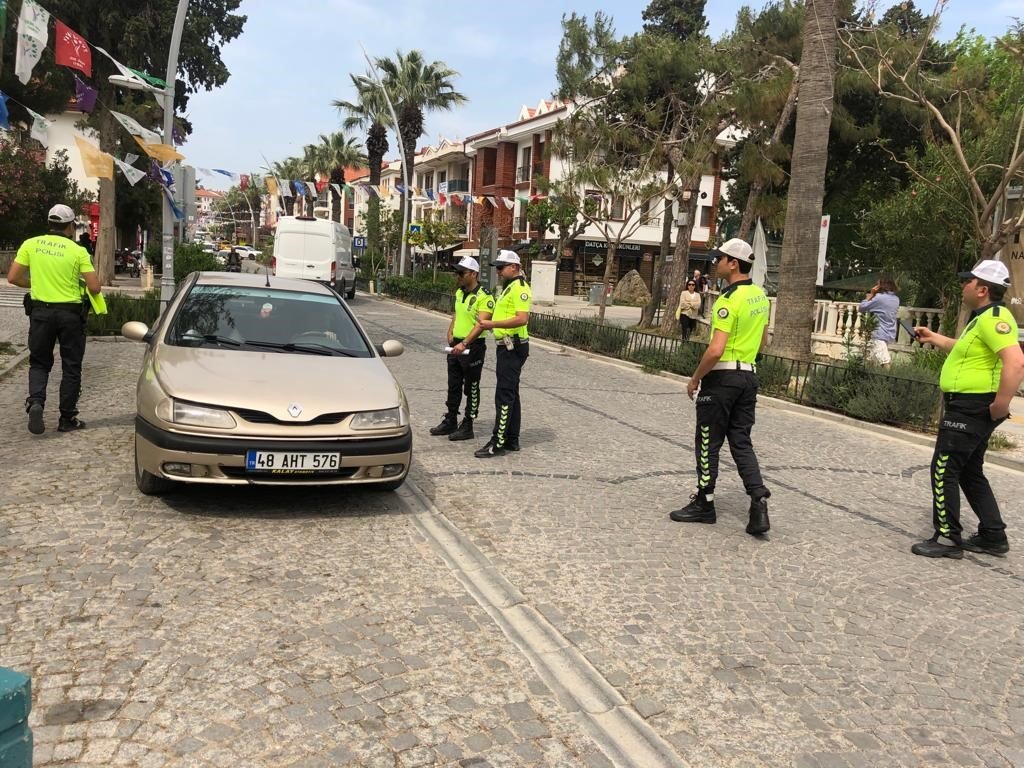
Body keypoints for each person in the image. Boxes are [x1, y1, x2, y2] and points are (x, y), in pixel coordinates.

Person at [910, 260, 1024, 559]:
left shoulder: (995, 318)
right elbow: (965, 350)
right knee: (970, 471)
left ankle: (948, 538)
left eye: (968, 281)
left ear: (983, 289)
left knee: (944, 468)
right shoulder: (983, 317)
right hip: (969, 404)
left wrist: (1001, 404)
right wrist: (934, 338)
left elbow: (1016, 362)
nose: (964, 285)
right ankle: (992, 535)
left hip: (971, 406)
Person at [670, 238, 772, 535]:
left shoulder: (728, 300)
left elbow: (715, 350)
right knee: (741, 441)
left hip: (723, 378)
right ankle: (758, 497)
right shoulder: (760, 297)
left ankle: (705, 502)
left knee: (707, 441)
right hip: (748, 377)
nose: (715, 263)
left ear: (734, 264)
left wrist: (695, 378)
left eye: (720, 259)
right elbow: (764, 340)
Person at [7, 204, 103, 435]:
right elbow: (94, 286)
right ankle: (67, 418)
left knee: (39, 363)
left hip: (40, 313)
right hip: (70, 315)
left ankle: (36, 402)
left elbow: (13, 277)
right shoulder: (78, 251)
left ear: (49, 224)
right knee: (71, 366)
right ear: (70, 226)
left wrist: (36, 284)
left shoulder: (31, 244)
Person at [429, 256, 494, 442]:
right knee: (454, 384)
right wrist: (450, 333)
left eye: (462, 273)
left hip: (472, 346)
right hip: (455, 343)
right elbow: (456, 314)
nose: (458, 276)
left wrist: (464, 343)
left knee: (472, 386)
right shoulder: (460, 292)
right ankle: (450, 418)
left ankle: (468, 424)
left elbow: (481, 324)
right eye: (457, 272)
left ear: (473, 274)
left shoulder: (484, 296)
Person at [474, 250, 531, 458]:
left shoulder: (520, 288)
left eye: (501, 267)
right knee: (512, 392)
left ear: (514, 267)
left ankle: (497, 442)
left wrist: (493, 323)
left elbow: (522, 318)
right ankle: (512, 439)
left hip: (512, 346)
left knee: (504, 394)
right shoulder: (509, 287)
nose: (498, 271)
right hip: (507, 345)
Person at [859, 277, 899, 367]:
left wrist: (872, 294)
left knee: (885, 360)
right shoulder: (896, 299)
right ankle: (870, 376)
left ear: (881, 286)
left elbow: (861, 308)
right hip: (890, 332)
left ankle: (890, 378)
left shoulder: (879, 298)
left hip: (879, 333)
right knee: (872, 358)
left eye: (877, 284)